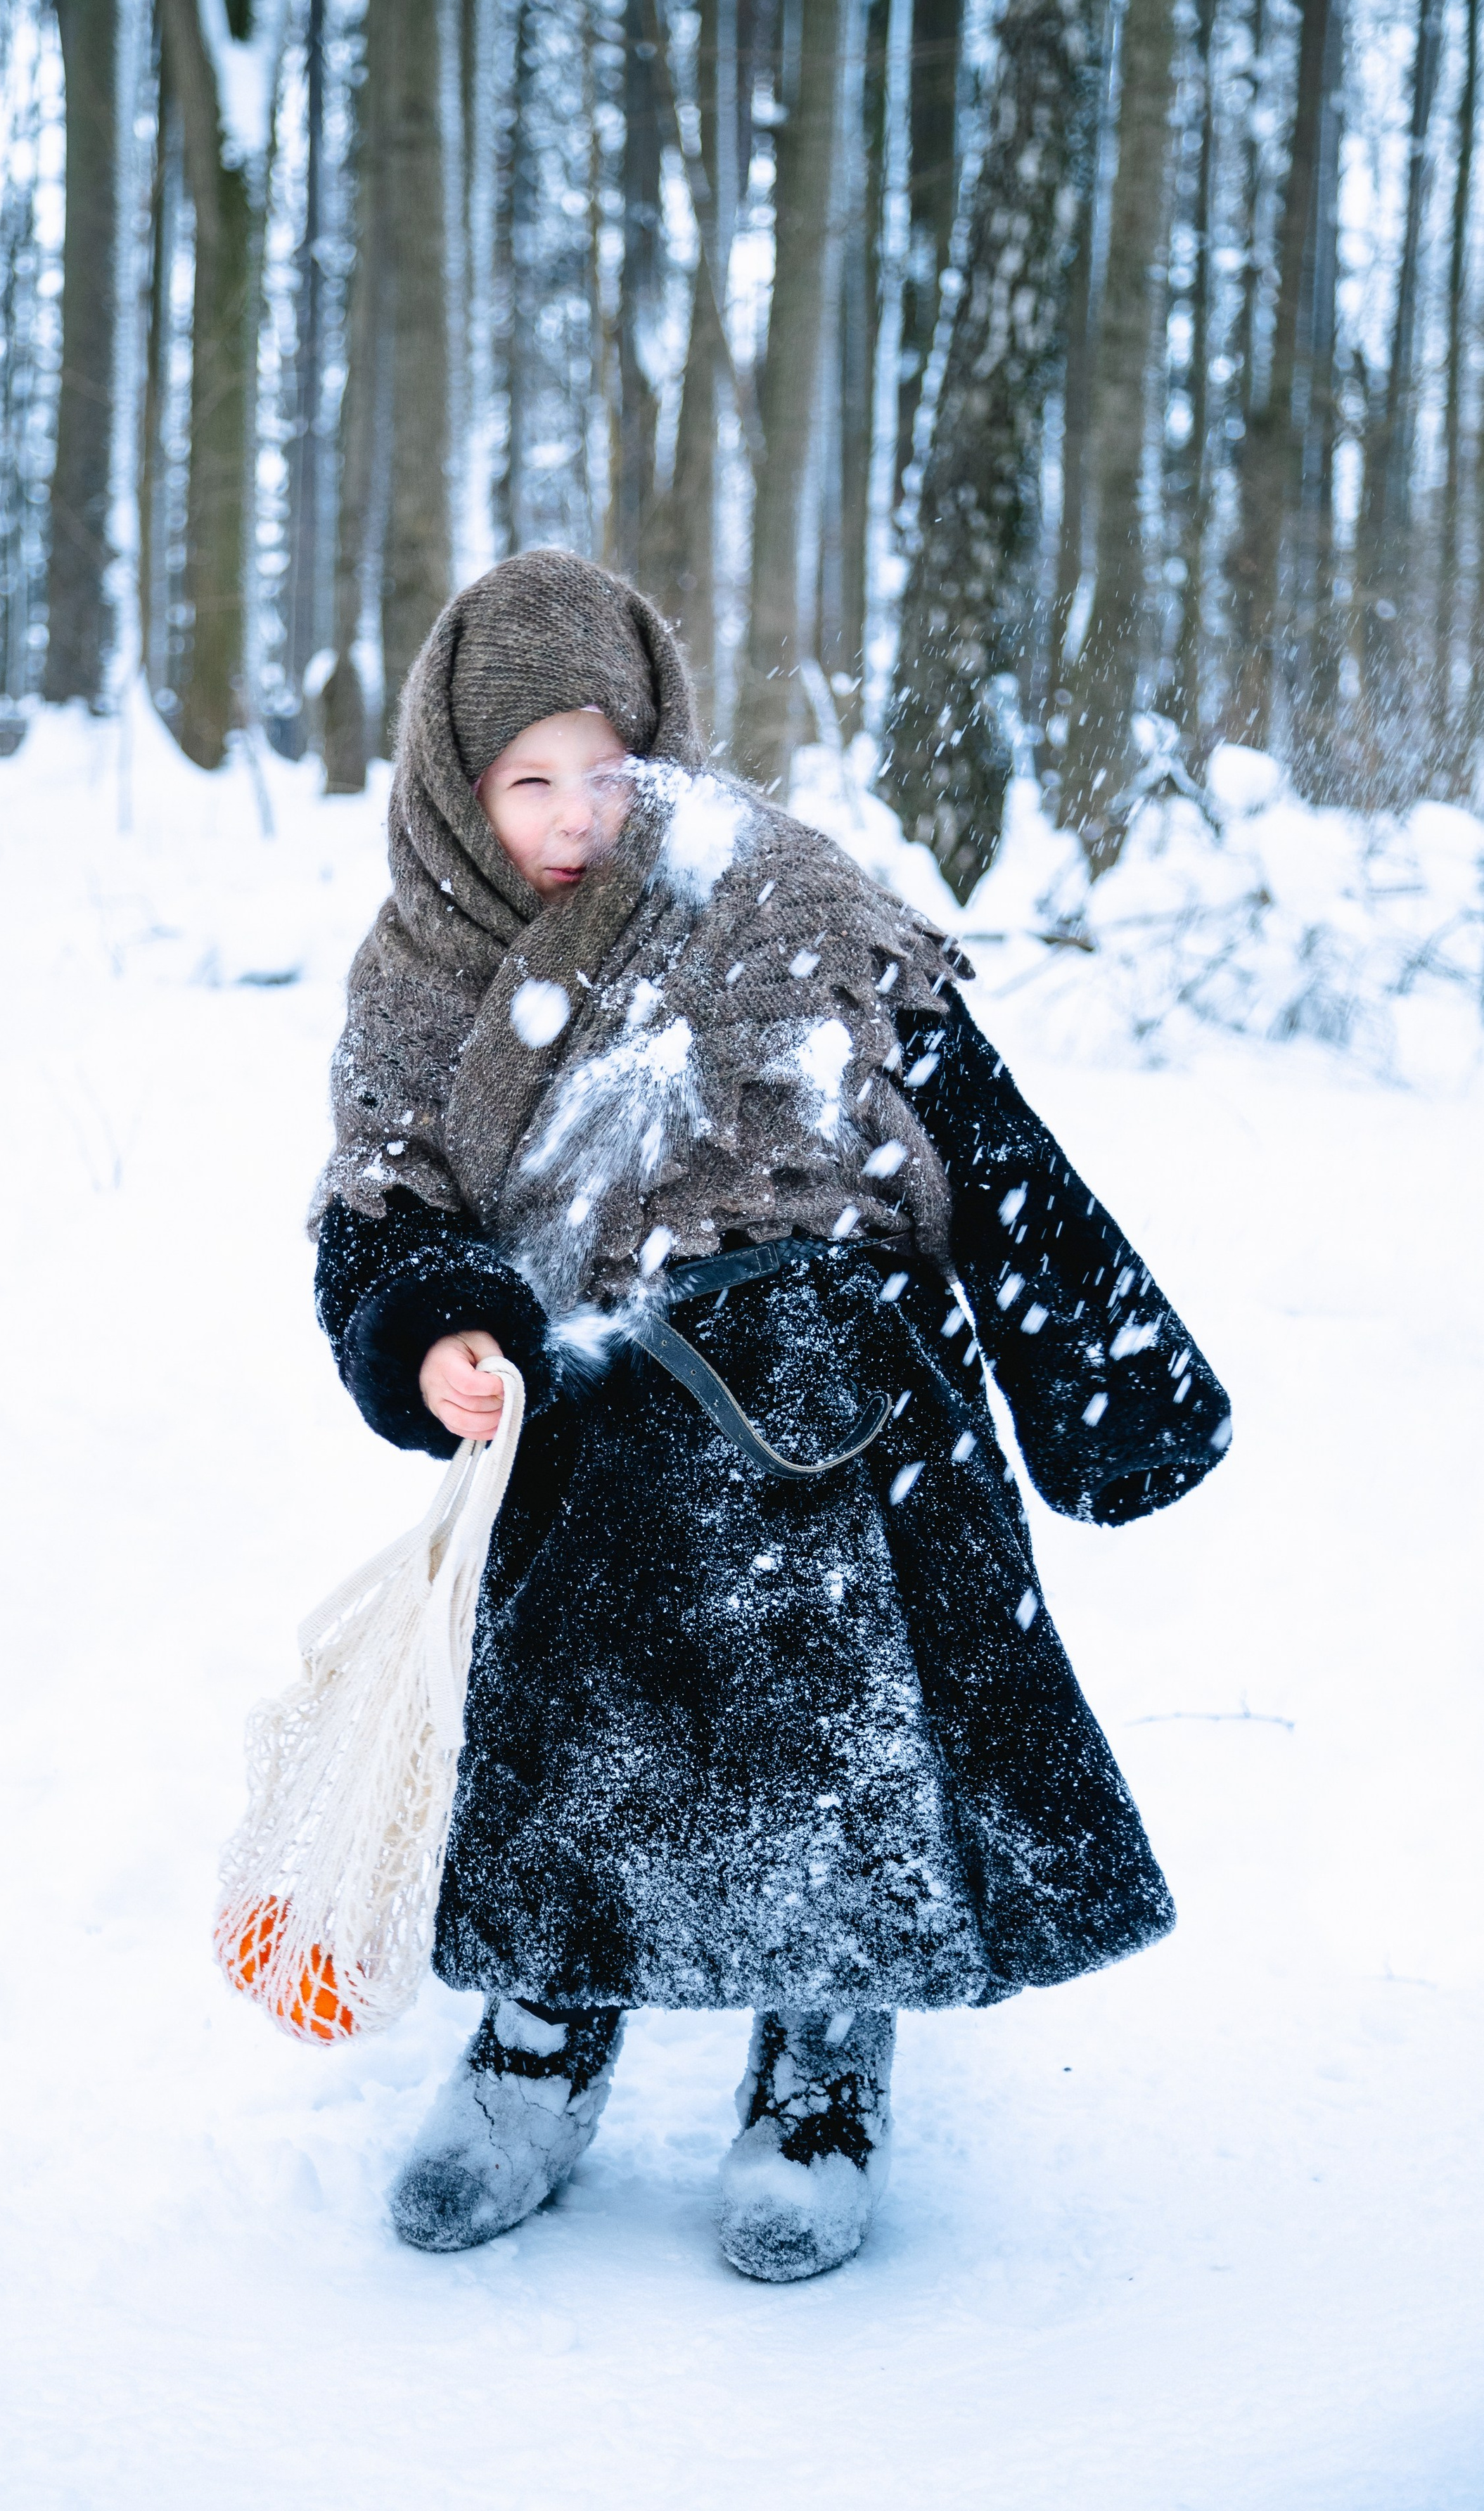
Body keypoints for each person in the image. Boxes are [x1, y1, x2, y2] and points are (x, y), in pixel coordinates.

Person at [312, 547, 1229, 2283]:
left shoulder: (772, 894)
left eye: (608, 769)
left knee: (828, 1732)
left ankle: (821, 2050)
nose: (576, 813)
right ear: (453, 783)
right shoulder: (423, 970)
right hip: (581, 1399)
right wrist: (428, 1330)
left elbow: (977, 1132)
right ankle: (539, 2030)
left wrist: (1104, 1383)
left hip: (837, 1393)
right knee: (570, 1729)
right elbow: (382, 1208)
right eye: (529, 781)